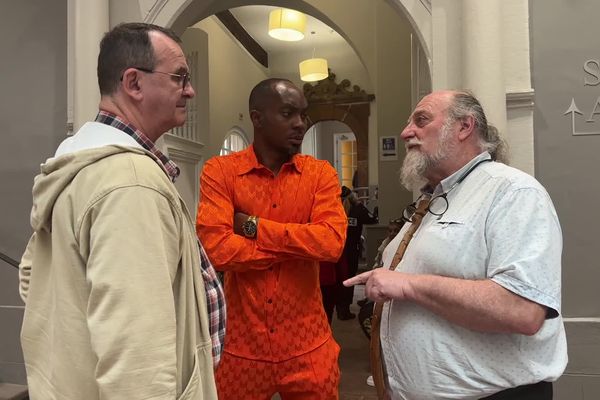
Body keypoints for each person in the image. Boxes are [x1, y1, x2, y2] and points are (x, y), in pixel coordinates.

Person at [18, 23, 221, 400]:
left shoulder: (77, 159)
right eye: (180, 77)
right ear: (134, 83)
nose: (190, 90)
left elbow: (32, 277)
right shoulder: (130, 180)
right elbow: (138, 358)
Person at [345, 90, 568, 399]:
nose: (406, 132)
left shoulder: (514, 193)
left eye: (421, 120)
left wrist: (408, 286)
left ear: (465, 127)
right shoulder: (434, 197)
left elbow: (523, 310)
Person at [196, 78, 347, 399]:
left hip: (309, 346)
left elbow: (331, 243)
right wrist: (300, 246)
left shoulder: (320, 174)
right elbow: (217, 250)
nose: (300, 124)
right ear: (257, 117)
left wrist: (252, 227)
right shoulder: (220, 172)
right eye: (289, 114)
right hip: (241, 349)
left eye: (303, 116)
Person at [336, 186, 378, 320]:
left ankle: (338, 308)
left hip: (335, 250)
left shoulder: (334, 210)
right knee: (349, 279)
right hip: (351, 251)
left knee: (337, 279)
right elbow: (372, 219)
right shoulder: (357, 209)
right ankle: (344, 309)